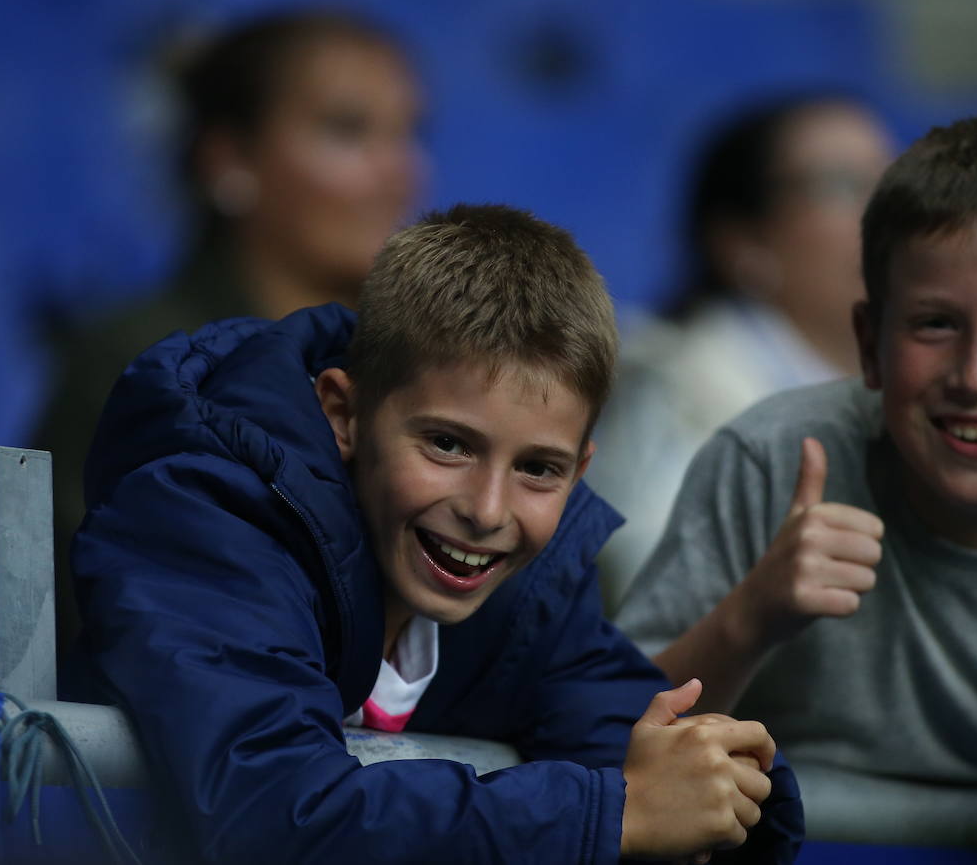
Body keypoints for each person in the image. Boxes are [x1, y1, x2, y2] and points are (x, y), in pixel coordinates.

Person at [68, 204, 803, 862]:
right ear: (343, 415)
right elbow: (274, 819)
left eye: (539, 469)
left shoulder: (530, 588)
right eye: (448, 445)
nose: (487, 509)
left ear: (580, 471)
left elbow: (622, 740)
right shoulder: (208, 519)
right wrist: (620, 816)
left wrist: (728, 792)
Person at [615, 112, 977, 786]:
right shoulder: (766, 460)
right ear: (870, 342)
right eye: (936, 323)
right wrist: (749, 617)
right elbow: (608, 732)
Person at [34, 8, 424, 652]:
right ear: (229, 161)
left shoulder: (427, 368)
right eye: (348, 131)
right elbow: (91, 607)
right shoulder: (141, 360)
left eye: (410, 133)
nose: (401, 172)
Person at [588, 95, 894, 611]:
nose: (887, 213)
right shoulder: (679, 387)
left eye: (890, 180)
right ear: (744, 242)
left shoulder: (920, 385)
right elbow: (657, 595)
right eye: (842, 186)